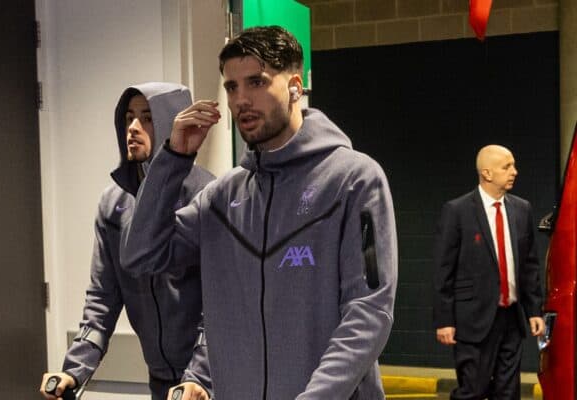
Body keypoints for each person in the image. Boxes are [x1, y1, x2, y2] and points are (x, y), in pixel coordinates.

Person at [120, 26, 398, 400]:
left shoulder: (354, 180)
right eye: (232, 87)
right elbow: (141, 254)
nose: (241, 100)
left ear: (295, 86)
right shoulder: (221, 197)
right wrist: (173, 159)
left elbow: (369, 313)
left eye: (256, 82)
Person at [39, 82, 215, 400]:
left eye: (147, 117)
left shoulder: (206, 195)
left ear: (170, 121)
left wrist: (200, 377)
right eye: (128, 118)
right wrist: (73, 370)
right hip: (161, 380)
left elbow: (218, 304)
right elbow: (102, 299)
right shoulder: (113, 204)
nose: (133, 128)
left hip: (206, 383)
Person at [433, 144, 545, 399]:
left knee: (508, 392)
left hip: (511, 319)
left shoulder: (521, 209)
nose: (514, 171)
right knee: (473, 390)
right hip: (473, 319)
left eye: (514, 165)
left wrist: (534, 310)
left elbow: (529, 265)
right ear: (487, 173)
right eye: (507, 167)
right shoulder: (457, 211)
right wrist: (444, 320)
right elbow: (443, 269)